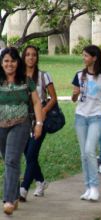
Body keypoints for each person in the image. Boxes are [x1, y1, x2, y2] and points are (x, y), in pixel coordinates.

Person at [0, 47, 43, 215]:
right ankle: (16, 194)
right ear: (1, 63)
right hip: (1, 126)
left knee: (11, 159)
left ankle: (9, 200)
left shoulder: (26, 80)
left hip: (21, 124)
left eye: (12, 61)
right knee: (10, 160)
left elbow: (37, 102)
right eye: (6, 61)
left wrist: (39, 123)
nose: (9, 64)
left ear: (18, 62)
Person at [72, 45, 101, 201]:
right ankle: (88, 187)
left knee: (90, 150)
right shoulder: (79, 75)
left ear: (94, 58)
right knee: (84, 154)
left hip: (97, 117)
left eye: (86, 55)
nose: (84, 58)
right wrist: (74, 94)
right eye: (83, 55)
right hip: (80, 117)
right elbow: (74, 98)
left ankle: (95, 187)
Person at [19, 45, 57, 201]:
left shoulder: (43, 76)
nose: (30, 57)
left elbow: (53, 98)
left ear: (37, 58)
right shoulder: (18, 77)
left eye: (33, 55)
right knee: (28, 154)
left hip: (39, 120)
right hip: (22, 120)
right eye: (27, 55)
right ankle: (41, 182)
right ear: (23, 57)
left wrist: (44, 111)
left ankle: (23, 189)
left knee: (32, 153)